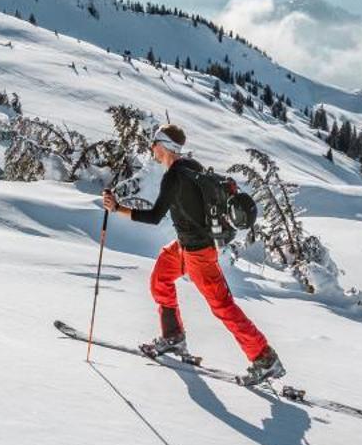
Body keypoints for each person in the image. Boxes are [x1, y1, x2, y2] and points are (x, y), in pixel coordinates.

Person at [101, 123, 286, 387]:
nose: (152, 148)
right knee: (161, 278)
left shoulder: (174, 177)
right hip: (186, 247)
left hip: (199, 252)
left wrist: (117, 208)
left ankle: (264, 358)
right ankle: (173, 336)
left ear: (163, 146)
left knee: (222, 306)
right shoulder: (193, 167)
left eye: (154, 143)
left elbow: (154, 217)